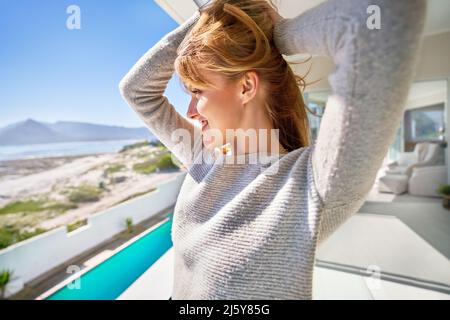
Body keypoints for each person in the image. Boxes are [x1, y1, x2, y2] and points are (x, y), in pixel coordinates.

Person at [119, 0, 426, 299]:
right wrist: (216, 12)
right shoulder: (203, 157)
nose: (190, 110)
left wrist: (275, 33)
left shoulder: (313, 186)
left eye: (197, 91)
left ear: (245, 87)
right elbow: (136, 90)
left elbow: (382, 17)